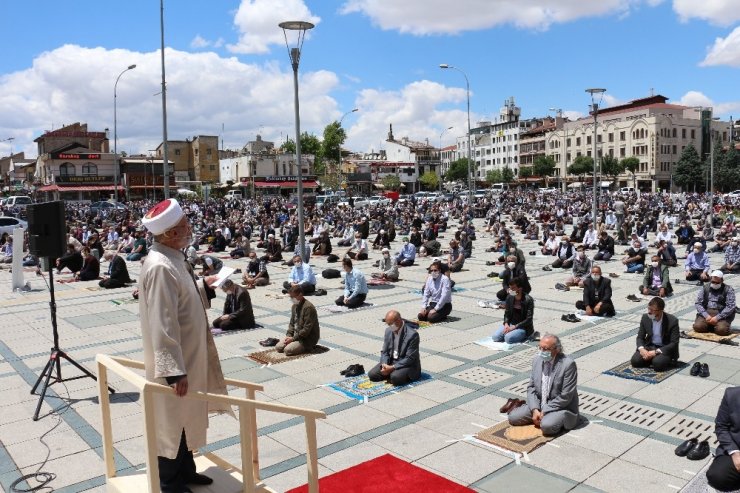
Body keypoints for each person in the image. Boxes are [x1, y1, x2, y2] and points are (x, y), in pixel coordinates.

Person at [138, 198, 230, 493]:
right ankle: (171, 482)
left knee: (187, 416)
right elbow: (162, 323)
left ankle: (187, 470)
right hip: (177, 362)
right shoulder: (160, 266)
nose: (189, 230)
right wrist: (173, 371)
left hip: (190, 353)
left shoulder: (173, 257)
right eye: (184, 227)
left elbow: (184, 300)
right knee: (173, 421)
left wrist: (206, 285)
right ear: (169, 234)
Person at [508, 334, 579, 436]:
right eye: (540, 347)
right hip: (540, 403)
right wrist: (535, 409)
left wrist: (545, 410)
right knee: (513, 417)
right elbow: (531, 387)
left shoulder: (568, 365)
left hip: (560, 407)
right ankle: (539, 416)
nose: (541, 351)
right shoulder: (537, 360)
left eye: (545, 349)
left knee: (547, 426)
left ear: (557, 349)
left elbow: (566, 396)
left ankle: (555, 418)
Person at [368, 310, 421, 386]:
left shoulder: (412, 335)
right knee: (372, 375)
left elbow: (410, 358)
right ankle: (390, 372)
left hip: (406, 363)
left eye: (391, 324)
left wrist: (392, 367)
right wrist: (384, 364)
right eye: (388, 324)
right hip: (391, 360)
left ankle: (393, 373)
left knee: (395, 378)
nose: (389, 326)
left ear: (399, 320)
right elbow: (384, 351)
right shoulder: (388, 331)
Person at [631, 297, 680, 371]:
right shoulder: (645, 318)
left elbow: (674, 343)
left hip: (664, 348)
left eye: (652, 310)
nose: (649, 312)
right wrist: (642, 349)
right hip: (650, 346)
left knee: (658, 364)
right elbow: (640, 337)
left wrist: (655, 352)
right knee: (635, 361)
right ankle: (650, 358)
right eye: (649, 309)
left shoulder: (672, 321)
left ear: (661, 311)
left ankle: (658, 359)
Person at [706, 387, 740, 491]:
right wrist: (735, 453)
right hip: (737, 447)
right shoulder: (732, 394)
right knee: (717, 476)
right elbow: (721, 427)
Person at [276, 285, 320, 356]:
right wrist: (289, 335)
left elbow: (306, 329)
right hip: (295, 336)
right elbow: (291, 323)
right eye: (291, 297)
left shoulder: (308, 308)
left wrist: (293, 339)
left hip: (306, 338)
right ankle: (294, 343)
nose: (292, 299)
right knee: (278, 347)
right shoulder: (294, 306)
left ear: (300, 295)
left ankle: (307, 347)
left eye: (293, 297)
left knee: (287, 350)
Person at [693, 270, 736, 336]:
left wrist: (717, 318)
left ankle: (719, 326)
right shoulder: (705, 287)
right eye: (713, 282)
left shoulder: (728, 289)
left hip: (722, 314)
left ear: (722, 281)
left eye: (717, 282)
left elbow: (731, 306)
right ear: (710, 279)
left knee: (722, 330)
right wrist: (706, 315)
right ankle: (711, 325)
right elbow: (698, 303)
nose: (715, 284)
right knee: (698, 327)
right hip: (707, 313)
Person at [491, 278, 534, 344]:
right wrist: (506, 324)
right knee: (495, 337)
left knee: (508, 339)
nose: (510, 290)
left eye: (513, 288)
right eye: (510, 288)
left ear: (520, 288)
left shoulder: (528, 300)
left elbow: (529, 319)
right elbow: (507, 313)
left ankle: (524, 335)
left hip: (522, 327)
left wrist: (514, 327)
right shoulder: (510, 297)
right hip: (511, 323)